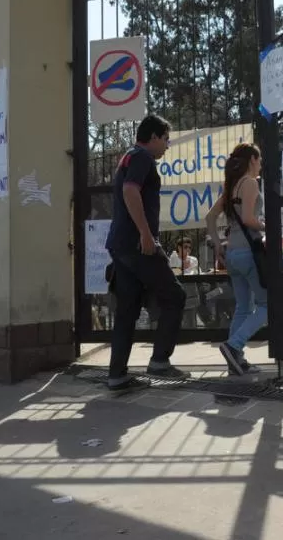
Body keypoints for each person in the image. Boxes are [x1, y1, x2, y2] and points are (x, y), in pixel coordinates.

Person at [104, 114, 188, 391]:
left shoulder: (130, 156)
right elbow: (130, 191)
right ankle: (160, 362)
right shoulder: (142, 157)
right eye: (165, 139)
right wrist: (145, 233)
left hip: (120, 245)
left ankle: (117, 375)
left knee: (127, 310)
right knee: (175, 295)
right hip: (137, 245)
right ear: (152, 137)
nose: (167, 145)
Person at [205, 143, 265, 375]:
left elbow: (210, 217)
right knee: (266, 305)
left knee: (242, 307)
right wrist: (267, 225)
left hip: (232, 254)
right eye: (259, 160)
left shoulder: (230, 187)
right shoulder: (250, 183)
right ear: (252, 159)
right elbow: (250, 219)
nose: (260, 164)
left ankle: (235, 361)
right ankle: (233, 345)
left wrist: (218, 245)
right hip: (250, 252)